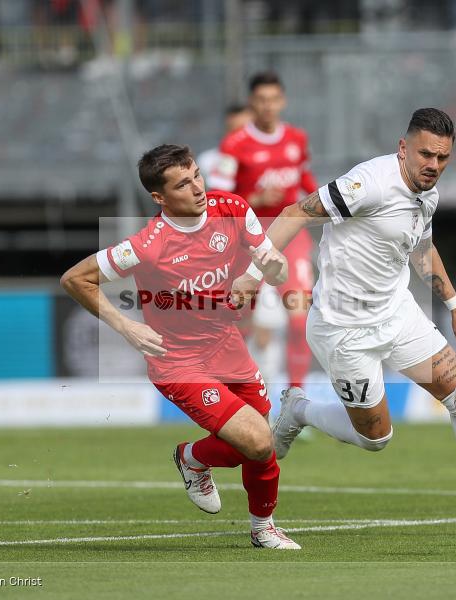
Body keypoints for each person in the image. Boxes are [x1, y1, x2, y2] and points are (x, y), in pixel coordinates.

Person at [232, 108, 456, 537]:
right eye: (426, 154)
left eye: (443, 158)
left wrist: (455, 304)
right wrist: (253, 274)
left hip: (398, 314)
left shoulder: (429, 193)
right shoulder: (366, 184)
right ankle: (299, 410)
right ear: (403, 148)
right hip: (344, 329)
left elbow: (422, 250)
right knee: (376, 438)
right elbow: (296, 213)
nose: (434, 165)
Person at [61, 144, 301, 550]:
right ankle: (262, 529)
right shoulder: (148, 244)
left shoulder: (233, 207)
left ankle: (196, 461)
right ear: (159, 197)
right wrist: (126, 327)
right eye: (183, 183)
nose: (197, 187)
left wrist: (260, 274)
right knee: (258, 441)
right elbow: (74, 279)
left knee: (263, 442)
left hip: (226, 345)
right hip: (178, 361)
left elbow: (267, 259)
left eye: (196, 175)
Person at [210, 71, 317, 390]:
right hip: (249, 236)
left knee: (300, 320)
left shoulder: (296, 139)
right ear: (252, 103)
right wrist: (253, 199)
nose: (268, 106)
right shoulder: (234, 144)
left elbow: (306, 182)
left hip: (291, 232)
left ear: (282, 101)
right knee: (240, 321)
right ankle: (239, 395)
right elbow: (217, 198)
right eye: (261, 100)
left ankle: (296, 396)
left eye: (273, 99)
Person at [197, 104, 252, 187]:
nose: (238, 137)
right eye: (235, 131)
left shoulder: (266, 160)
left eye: (243, 132)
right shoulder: (206, 161)